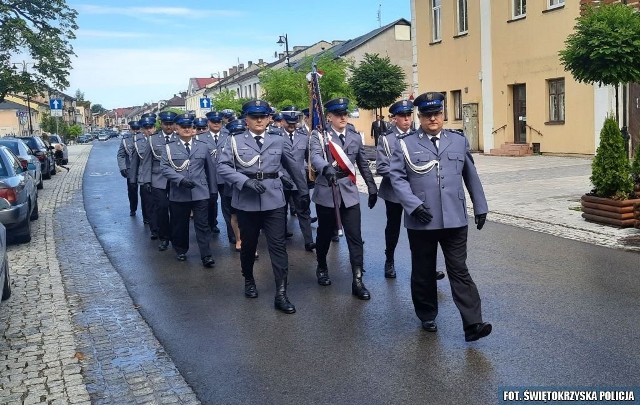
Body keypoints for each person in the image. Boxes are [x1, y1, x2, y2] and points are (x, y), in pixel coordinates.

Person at [388, 91, 491, 342]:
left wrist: (480, 206)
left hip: (454, 219)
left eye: (437, 113)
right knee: (423, 271)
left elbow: (470, 174)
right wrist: (413, 205)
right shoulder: (405, 143)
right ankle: (427, 314)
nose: (433, 118)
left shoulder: (457, 141)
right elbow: (397, 178)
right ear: (419, 117)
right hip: (421, 219)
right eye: (427, 114)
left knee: (459, 270)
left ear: (443, 114)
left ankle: (473, 324)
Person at [217, 99, 309, 314]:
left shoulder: (278, 140)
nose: (258, 120)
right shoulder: (233, 141)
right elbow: (222, 167)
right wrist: (244, 181)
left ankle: (281, 293)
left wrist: (302, 192)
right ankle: (249, 279)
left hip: (274, 199)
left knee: (278, 246)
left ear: (269, 119)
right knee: (248, 246)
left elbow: (293, 167)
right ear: (245, 119)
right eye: (253, 116)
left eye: (263, 116)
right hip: (247, 201)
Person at [309, 97, 378, 300]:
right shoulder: (319, 136)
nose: (342, 117)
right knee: (324, 234)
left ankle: (357, 280)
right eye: (338, 114)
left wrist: (372, 187)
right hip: (327, 192)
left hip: (348, 192)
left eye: (345, 114)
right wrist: (325, 167)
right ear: (329, 116)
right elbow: (314, 156)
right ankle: (321, 266)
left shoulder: (354, 136)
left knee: (354, 237)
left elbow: (362, 163)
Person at [376, 100, 446, 281]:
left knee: (422, 230)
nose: (407, 119)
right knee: (393, 228)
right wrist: (401, 174)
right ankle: (389, 260)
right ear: (395, 119)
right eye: (402, 116)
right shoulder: (386, 138)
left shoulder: (419, 136)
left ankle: (428, 267)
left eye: (409, 115)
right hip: (394, 193)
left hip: (416, 192)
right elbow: (382, 167)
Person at [161, 115, 217, 267]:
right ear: (176, 128)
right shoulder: (169, 147)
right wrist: (180, 180)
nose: (186, 129)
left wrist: (213, 191)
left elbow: (210, 170)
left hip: (200, 192)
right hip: (179, 193)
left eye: (189, 126)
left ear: (193, 129)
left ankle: (206, 255)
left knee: (202, 225)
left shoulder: (203, 146)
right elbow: (164, 168)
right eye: (183, 126)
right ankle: (180, 250)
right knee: (180, 224)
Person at [280, 106, 315, 252]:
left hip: (299, 181)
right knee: (280, 212)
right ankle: (280, 239)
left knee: (304, 210)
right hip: (281, 180)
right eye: (289, 122)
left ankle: (309, 241)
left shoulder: (303, 137)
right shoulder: (274, 137)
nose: (292, 125)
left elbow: (310, 158)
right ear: (282, 121)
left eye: (294, 122)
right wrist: (280, 176)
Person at [141, 111, 177, 250]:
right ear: (160, 124)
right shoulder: (153, 139)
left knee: (176, 210)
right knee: (161, 208)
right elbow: (147, 162)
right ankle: (164, 237)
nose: (168, 126)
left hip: (176, 179)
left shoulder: (180, 137)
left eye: (171, 124)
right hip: (158, 179)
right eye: (166, 124)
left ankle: (176, 237)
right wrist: (147, 181)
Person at [196, 111, 230, 237]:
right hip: (209, 176)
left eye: (218, 122)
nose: (216, 124)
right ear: (208, 122)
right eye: (213, 122)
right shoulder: (200, 137)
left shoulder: (228, 135)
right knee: (210, 202)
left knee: (228, 206)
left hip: (226, 177)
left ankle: (232, 234)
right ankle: (211, 224)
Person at [130, 116, 157, 229]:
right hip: (144, 177)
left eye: (151, 127)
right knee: (148, 203)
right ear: (142, 130)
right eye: (146, 128)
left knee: (161, 205)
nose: (149, 130)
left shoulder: (161, 140)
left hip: (160, 177)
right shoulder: (138, 142)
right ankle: (153, 227)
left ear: (155, 128)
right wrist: (132, 179)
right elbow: (135, 162)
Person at [117, 121, 139, 216]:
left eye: (137, 129)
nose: (135, 131)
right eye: (133, 129)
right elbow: (121, 155)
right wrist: (122, 168)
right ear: (130, 129)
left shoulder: (146, 138)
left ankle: (147, 216)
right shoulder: (125, 139)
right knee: (132, 191)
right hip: (131, 169)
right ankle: (133, 209)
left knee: (146, 193)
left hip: (144, 168)